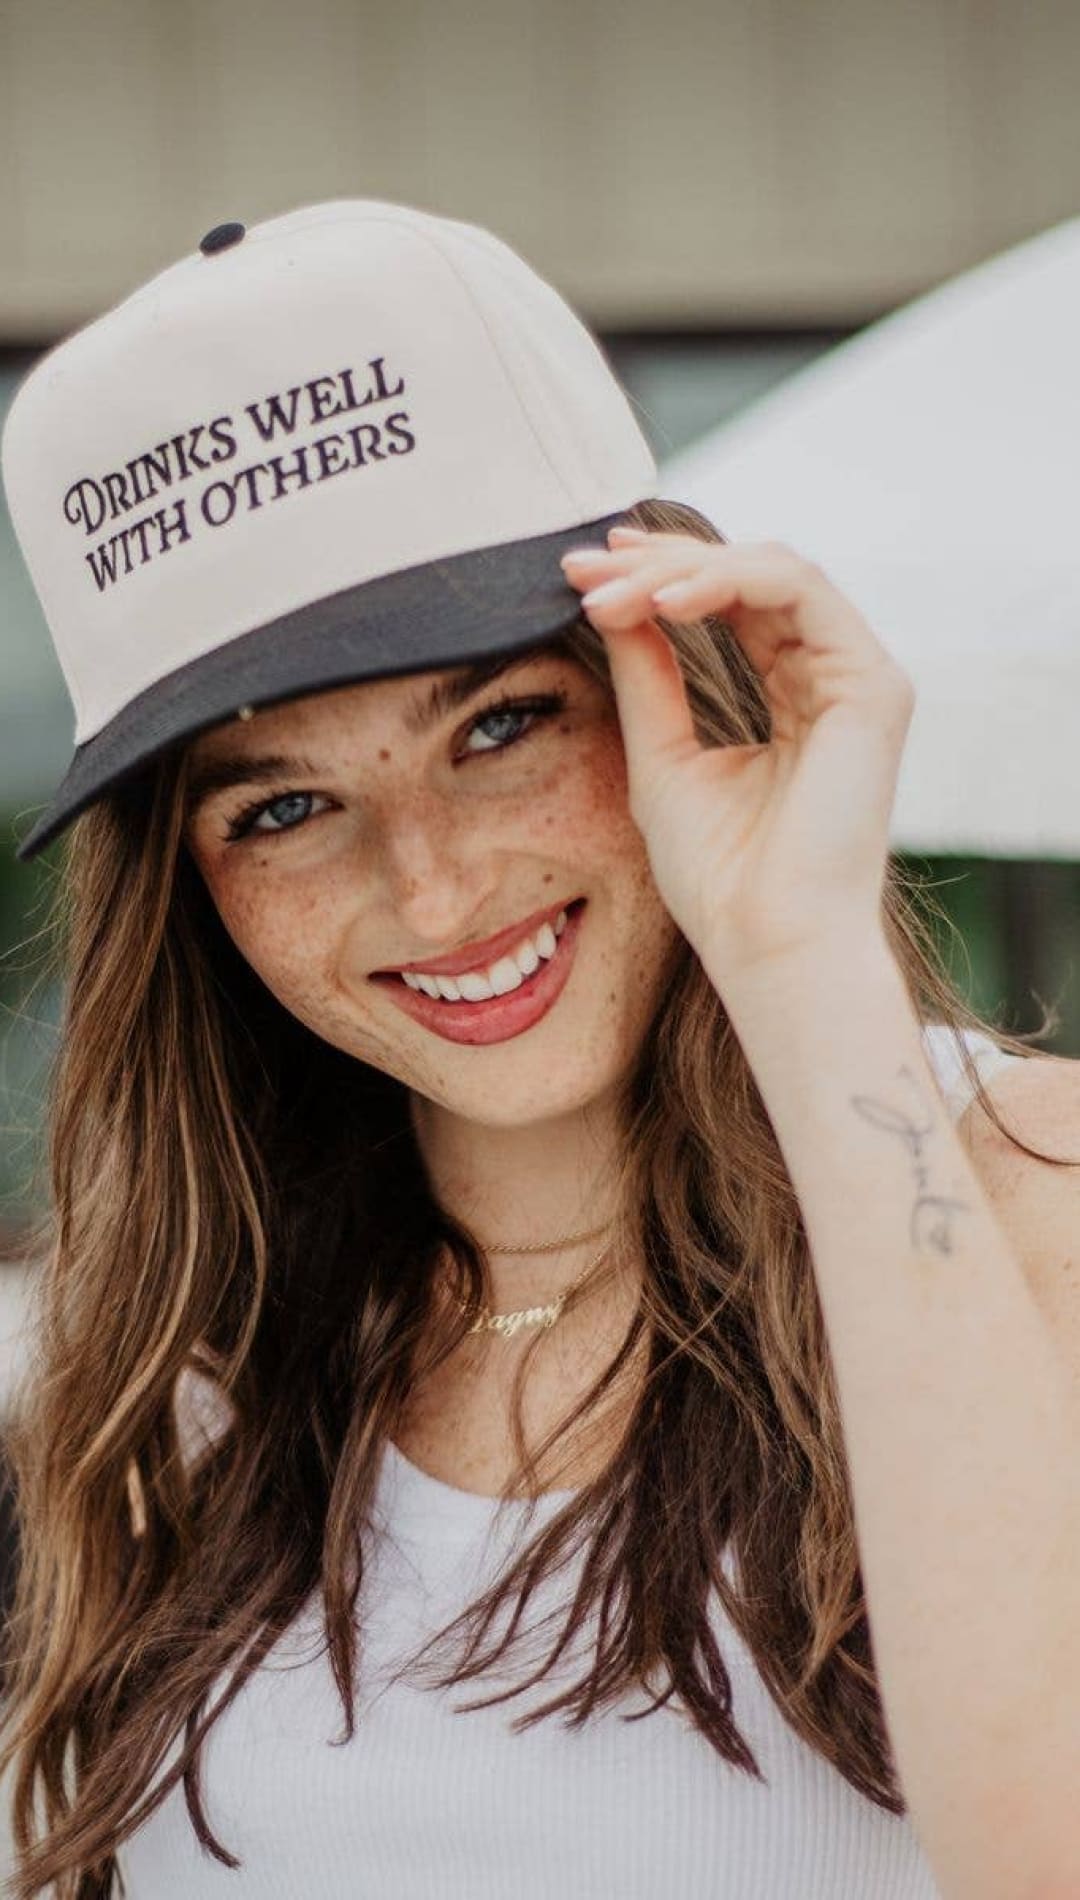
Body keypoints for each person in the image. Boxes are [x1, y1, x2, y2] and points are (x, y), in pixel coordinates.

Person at [1, 200, 1078, 1900]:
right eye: (285, 808)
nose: (432, 888)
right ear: (190, 892)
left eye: (501, 725)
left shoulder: (1032, 1196)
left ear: (670, 663)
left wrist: (797, 948)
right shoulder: (179, 1361)